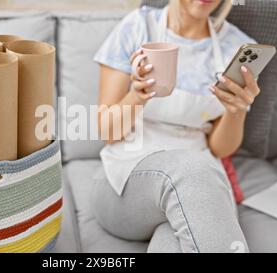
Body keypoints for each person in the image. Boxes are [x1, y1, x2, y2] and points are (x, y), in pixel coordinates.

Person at [91, 0, 259, 253]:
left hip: (200, 186)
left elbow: (220, 148)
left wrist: (236, 113)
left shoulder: (237, 48)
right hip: (126, 180)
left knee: (177, 238)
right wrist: (137, 95)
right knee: (194, 171)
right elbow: (107, 132)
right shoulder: (137, 27)